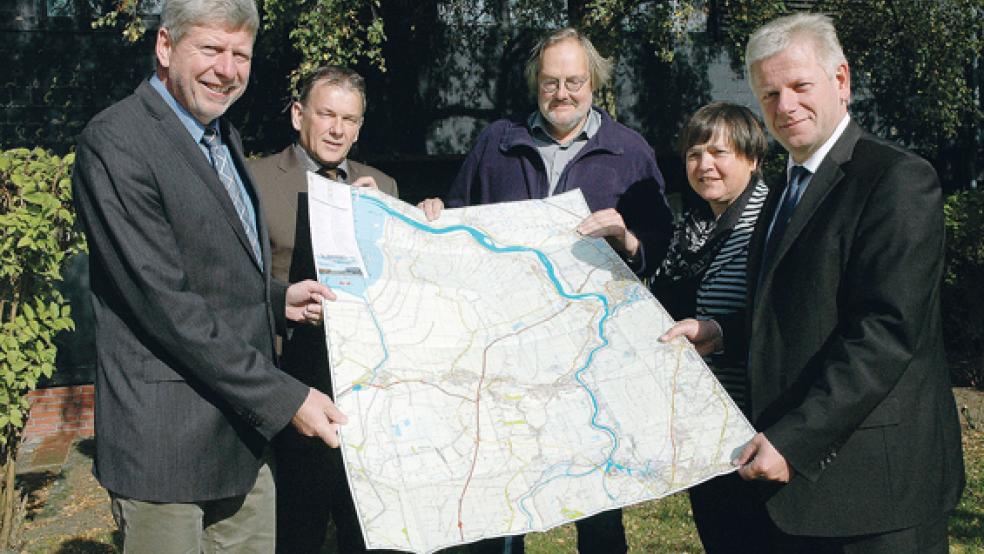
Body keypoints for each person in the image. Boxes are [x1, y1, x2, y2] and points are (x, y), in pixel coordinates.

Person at [662, 13, 964, 553]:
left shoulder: (897, 179)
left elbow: (885, 334)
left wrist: (795, 442)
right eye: (770, 93)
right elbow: (791, 307)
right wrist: (719, 331)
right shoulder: (782, 191)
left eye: (800, 86)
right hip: (799, 498)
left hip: (878, 495)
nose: (785, 107)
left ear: (841, 81)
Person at [71, 0, 348, 551]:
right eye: (212, 49)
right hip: (166, 451)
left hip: (240, 442)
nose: (227, 69)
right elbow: (165, 305)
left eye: (240, 55)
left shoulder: (224, 138)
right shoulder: (117, 142)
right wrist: (287, 398)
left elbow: (210, 271)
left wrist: (275, 300)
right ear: (165, 47)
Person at [419, 26, 673, 554]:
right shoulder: (498, 142)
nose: (563, 93)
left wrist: (628, 237)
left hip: (591, 358)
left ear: (595, 83)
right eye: (551, 81)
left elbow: (659, 243)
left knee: (598, 504)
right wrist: (435, 218)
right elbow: (457, 221)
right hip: (506, 350)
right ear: (536, 82)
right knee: (500, 496)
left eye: (574, 81)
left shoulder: (629, 151)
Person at [248, 65, 398, 554]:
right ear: (298, 115)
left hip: (365, 391)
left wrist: (397, 220)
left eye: (350, 119)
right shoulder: (256, 181)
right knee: (298, 528)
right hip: (291, 382)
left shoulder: (385, 187)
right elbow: (233, 281)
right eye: (327, 114)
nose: (338, 130)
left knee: (366, 528)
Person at [648, 102, 770, 552]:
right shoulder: (692, 227)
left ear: (753, 158)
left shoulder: (769, 222)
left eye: (720, 152)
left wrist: (718, 331)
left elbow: (780, 317)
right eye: (695, 154)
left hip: (756, 423)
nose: (705, 165)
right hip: (704, 429)